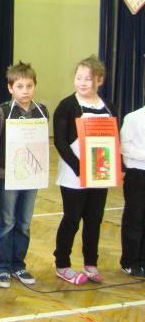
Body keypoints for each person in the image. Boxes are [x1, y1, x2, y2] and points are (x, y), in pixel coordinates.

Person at [53, 55, 116, 284]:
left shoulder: (107, 106)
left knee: (94, 219)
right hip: (74, 174)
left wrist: (108, 167)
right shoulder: (67, 106)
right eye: (78, 78)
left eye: (87, 79)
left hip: (99, 173)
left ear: (99, 80)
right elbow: (60, 141)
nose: (82, 82)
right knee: (72, 218)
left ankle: (91, 263)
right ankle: (62, 264)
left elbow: (112, 140)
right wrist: (80, 168)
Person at [0, 62, 49, 288]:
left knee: (23, 222)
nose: (25, 91)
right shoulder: (2, 112)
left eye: (29, 86)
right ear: (10, 88)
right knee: (7, 222)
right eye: (20, 86)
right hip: (7, 176)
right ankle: (2, 268)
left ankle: (18, 265)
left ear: (35, 86)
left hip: (32, 176)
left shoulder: (41, 111)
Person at [119, 105, 145, 278]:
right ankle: (129, 261)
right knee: (134, 218)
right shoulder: (133, 117)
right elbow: (124, 147)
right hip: (137, 174)